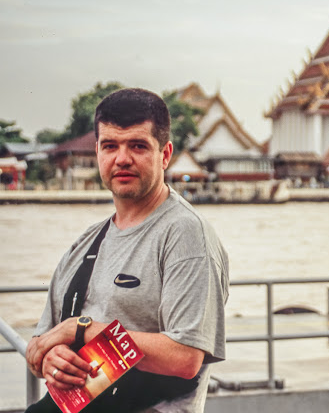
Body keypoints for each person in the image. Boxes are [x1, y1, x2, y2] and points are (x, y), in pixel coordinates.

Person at [25, 88, 229, 412]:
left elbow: (186, 357)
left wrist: (84, 330)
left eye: (137, 146)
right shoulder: (84, 245)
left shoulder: (186, 235)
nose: (122, 158)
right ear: (97, 153)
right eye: (110, 146)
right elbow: (40, 342)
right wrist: (51, 359)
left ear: (165, 155)